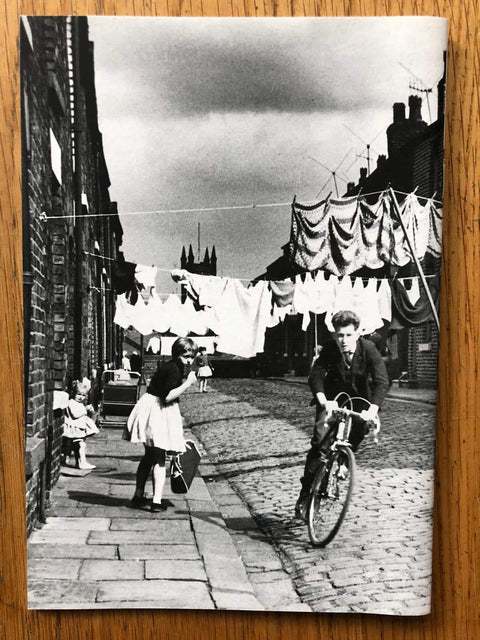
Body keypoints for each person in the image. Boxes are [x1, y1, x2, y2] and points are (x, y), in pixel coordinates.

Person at [295, 310, 390, 518]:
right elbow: (316, 375)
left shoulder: (369, 349)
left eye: (348, 335)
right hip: (332, 401)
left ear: (357, 334)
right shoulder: (330, 349)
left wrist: (372, 409)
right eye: (339, 335)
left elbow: (382, 381)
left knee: (360, 428)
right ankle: (306, 495)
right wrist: (322, 400)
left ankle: (346, 460)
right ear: (334, 335)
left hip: (360, 402)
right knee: (320, 444)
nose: (344, 340)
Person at [124, 337, 198, 512]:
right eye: (185, 356)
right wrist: (188, 383)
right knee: (158, 456)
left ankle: (138, 495)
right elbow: (168, 396)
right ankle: (156, 502)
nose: (189, 360)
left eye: (191, 357)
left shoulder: (173, 366)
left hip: (152, 408)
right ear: (176, 354)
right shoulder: (174, 369)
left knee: (149, 456)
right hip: (157, 411)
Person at [63, 380, 100, 470]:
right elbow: (75, 414)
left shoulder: (79, 403)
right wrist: (85, 410)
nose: (81, 397)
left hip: (79, 428)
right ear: (73, 393)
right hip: (75, 428)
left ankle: (79, 462)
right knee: (81, 445)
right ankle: (82, 462)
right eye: (79, 394)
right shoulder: (71, 402)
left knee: (79, 445)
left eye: (83, 395)